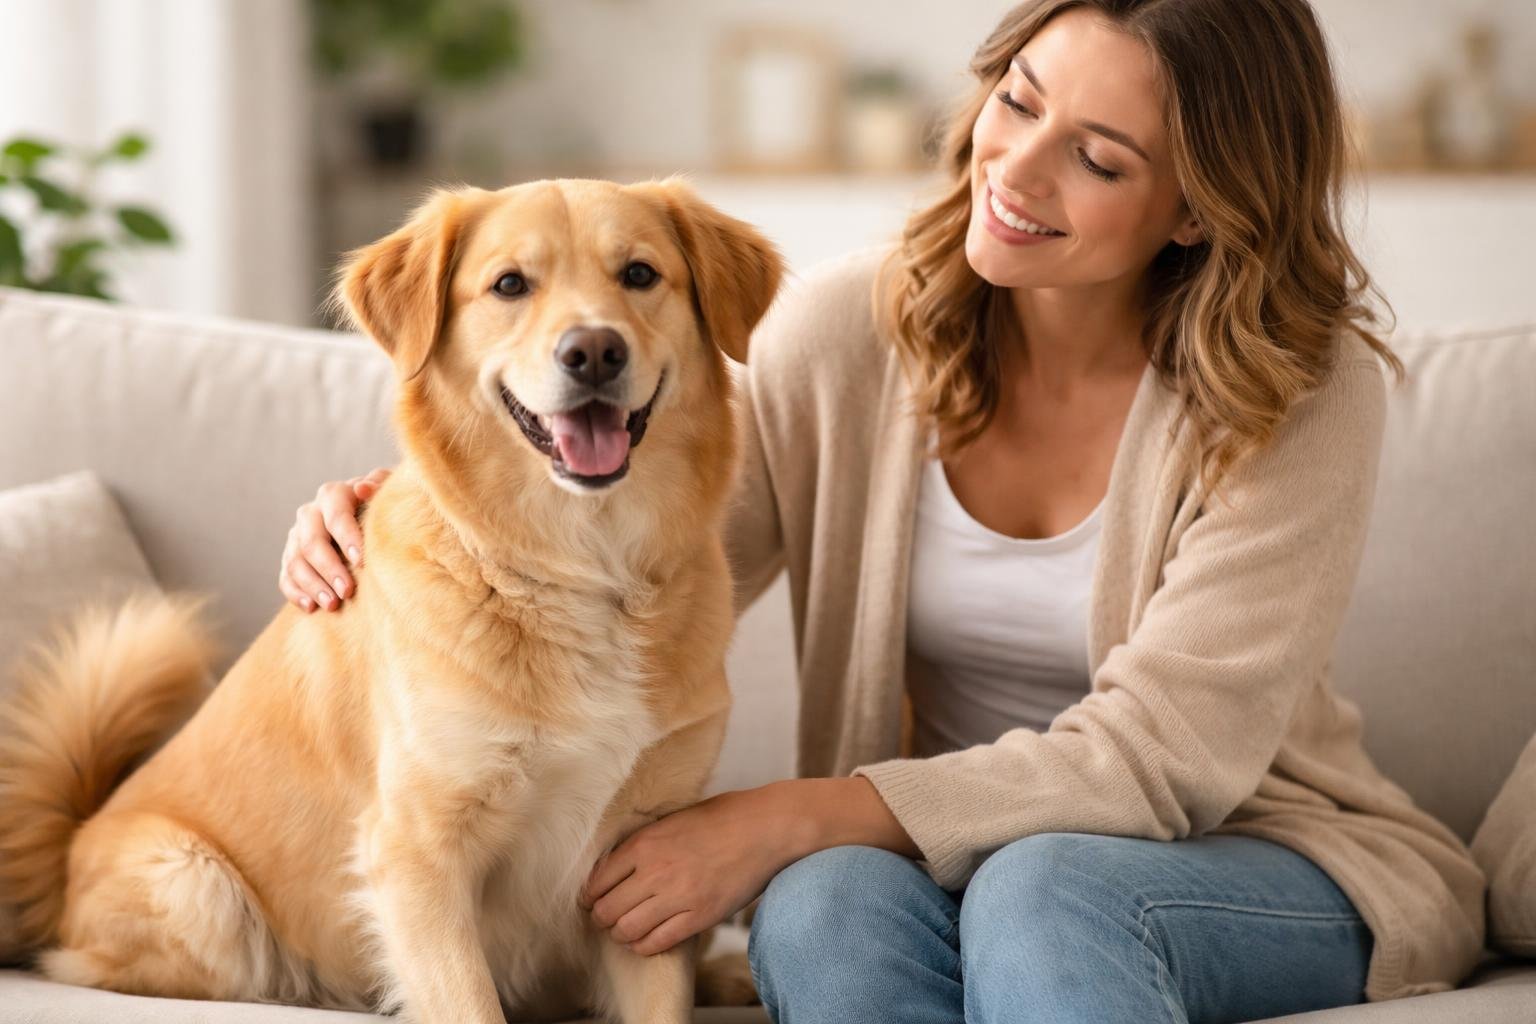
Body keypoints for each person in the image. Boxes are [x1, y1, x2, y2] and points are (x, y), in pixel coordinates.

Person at [279, 1, 1487, 1021]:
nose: (1013, 169)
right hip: (932, 850)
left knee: (1039, 885)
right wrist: (396, 522)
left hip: (1261, 853)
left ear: (1197, 207)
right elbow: (652, 550)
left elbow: (1166, 758)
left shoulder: (1300, 388)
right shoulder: (848, 333)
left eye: (1099, 157)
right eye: (1018, 103)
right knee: (821, 906)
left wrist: (790, 814)